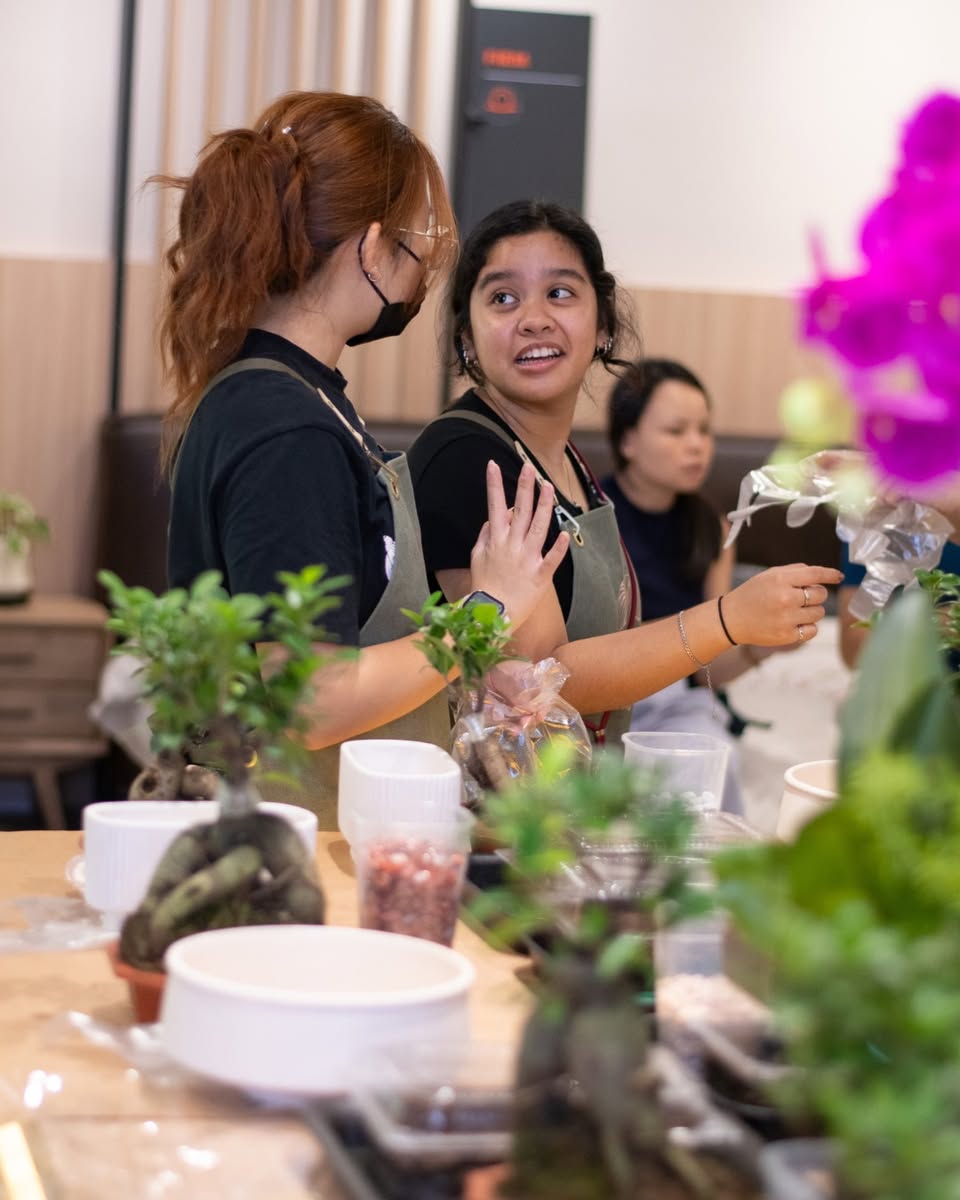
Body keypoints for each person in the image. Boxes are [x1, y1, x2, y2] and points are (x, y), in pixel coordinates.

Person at [158, 93, 568, 826]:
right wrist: (485, 614)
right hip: (287, 838)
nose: (423, 265)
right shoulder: (284, 426)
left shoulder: (304, 400)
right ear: (375, 248)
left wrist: (470, 665)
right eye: (421, 238)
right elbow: (315, 700)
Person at [409, 199, 843, 762]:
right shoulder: (471, 458)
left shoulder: (565, 462)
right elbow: (546, 681)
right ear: (467, 337)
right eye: (503, 297)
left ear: (603, 326)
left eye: (560, 292)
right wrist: (728, 618)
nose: (534, 318)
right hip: (490, 814)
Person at [603, 358, 792, 814]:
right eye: (676, 430)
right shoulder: (593, 516)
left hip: (677, 704)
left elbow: (707, 669)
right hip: (605, 695)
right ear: (628, 439)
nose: (697, 446)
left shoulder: (713, 528)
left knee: (707, 756)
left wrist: (762, 644)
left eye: (704, 430)